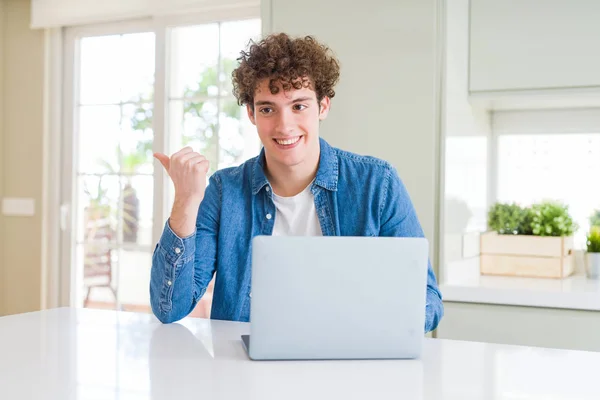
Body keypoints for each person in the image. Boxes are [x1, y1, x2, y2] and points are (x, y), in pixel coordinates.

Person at [150, 33, 443, 332]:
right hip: (243, 372)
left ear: (323, 106)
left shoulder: (378, 184)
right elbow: (169, 308)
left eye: (299, 106)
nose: (284, 125)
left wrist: (369, 326)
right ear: (251, 113)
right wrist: (185, 201)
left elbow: (426, 299)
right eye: (267, 109)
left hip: (348, 367)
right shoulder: (225, 191)